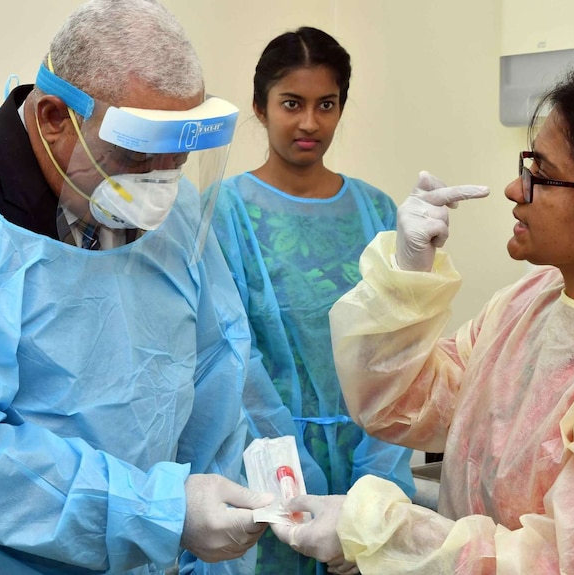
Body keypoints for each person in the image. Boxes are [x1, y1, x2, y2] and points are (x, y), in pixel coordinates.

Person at [0, 1, 274, 573]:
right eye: (135, 157)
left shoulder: (175, 212)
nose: (158, 188)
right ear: (52, 118)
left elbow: (216, 371)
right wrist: (158, 513)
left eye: (178, 161)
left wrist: (210, 535)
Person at [271, 64, 574, 574]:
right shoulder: (531, 302)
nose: (515, 190)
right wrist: (407, 276)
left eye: (541, 175)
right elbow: (402, 405)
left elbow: (566, 566)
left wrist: (384, 533)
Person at [211, 26, 415, 575]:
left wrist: (376, 486)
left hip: (368, 452)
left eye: (326, 105)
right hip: (260, 464)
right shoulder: (224, 213)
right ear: (260, 107)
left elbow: (396, 349)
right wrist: (289, 469)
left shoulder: (377, 212)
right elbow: (233, 354)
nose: (309, 123)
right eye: (291, 104)